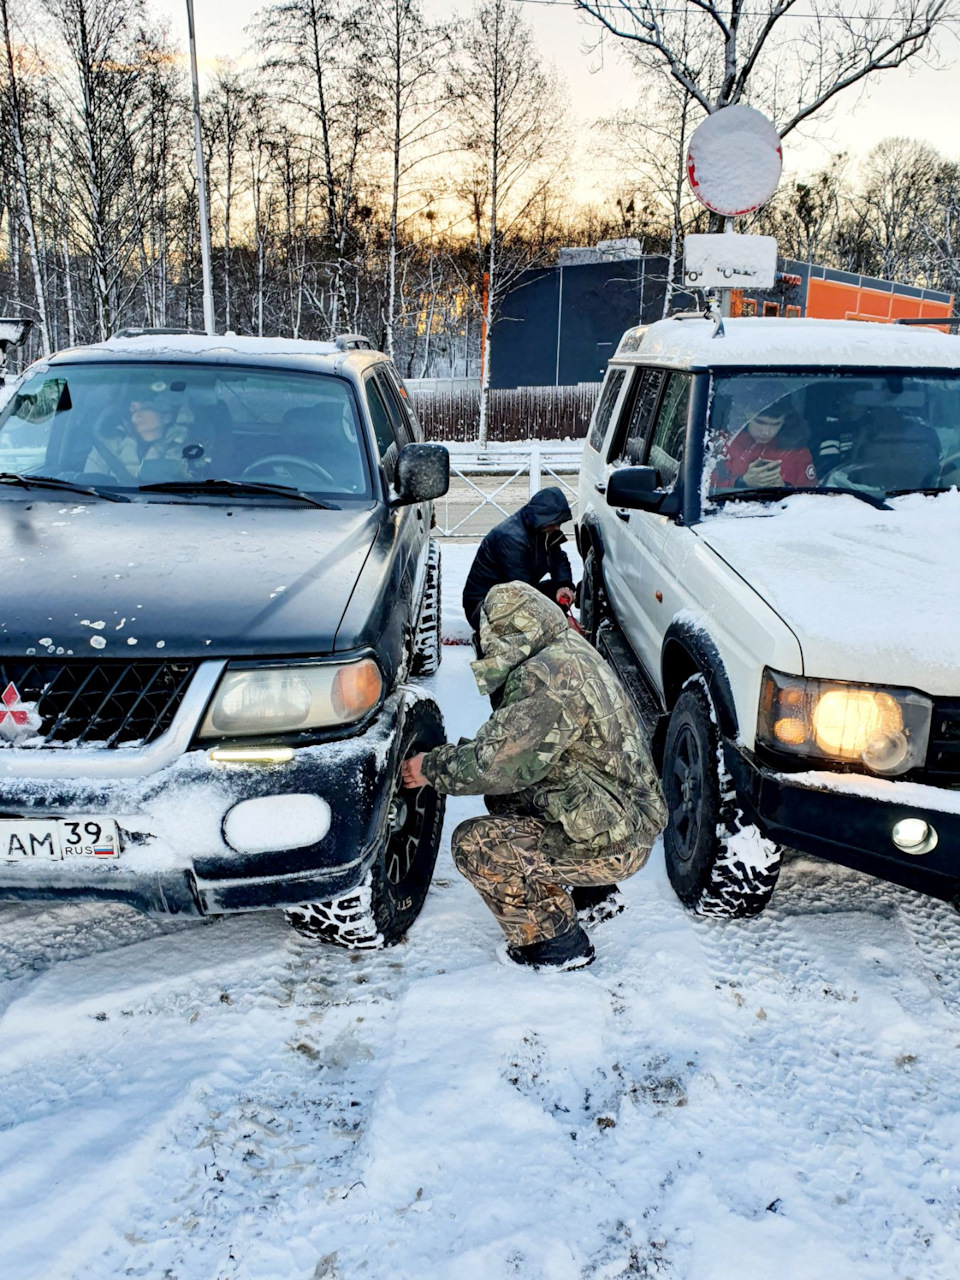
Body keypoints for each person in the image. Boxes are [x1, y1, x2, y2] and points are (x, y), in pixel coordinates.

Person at [401, 580, 667, 971]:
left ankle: (554, 942)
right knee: (508, 801)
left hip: (616, 842)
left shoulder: (546, 677)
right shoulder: (570, 650)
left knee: (476, 847)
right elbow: (513, 761)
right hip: (624, 816)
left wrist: (427, 767)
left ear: (504, 633)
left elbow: (491, 764)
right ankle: (595, 894)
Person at [462, 487, 576, 633]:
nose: (557, 527)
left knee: (556, 593)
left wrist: (563, 585)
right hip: (483, 607)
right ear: (542, 517)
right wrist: (560, 621)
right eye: (553, 522)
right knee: (537, 617)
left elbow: (559, 559)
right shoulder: (511, 538)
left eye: (558, 522)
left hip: (514, 595)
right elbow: (522, 591)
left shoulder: (543, 529)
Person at [85, 393, 188, 482]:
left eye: (146, 407)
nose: (137, 415)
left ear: (166, 416)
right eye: (133, 409)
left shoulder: (186, 449)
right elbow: (91, 488)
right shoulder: (107, 447)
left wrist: (157, 451)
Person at [717, 404, 816, 491]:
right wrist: (742, 482)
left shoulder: (797, 451)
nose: (766, 432)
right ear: (746, 415)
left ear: (785, 421)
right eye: (760, 422)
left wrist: (784, 488)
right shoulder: (724, 443)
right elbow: (707, 487)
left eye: (776, 424)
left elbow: (811, 497)